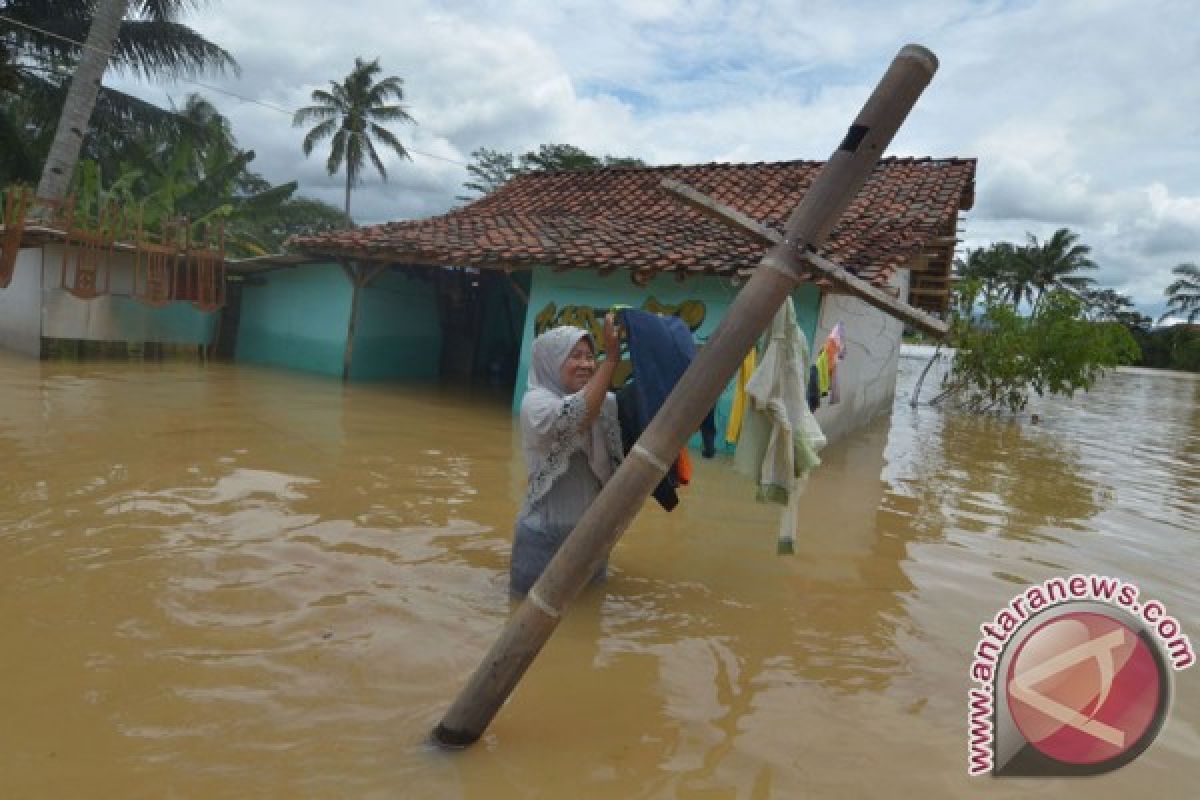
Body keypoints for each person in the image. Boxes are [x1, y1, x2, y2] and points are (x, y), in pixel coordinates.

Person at [510, 313, 624, 595]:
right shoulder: (535, 404)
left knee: (587, 622)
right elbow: (575, 417)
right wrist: (610, 360)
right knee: (525, 617)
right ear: (551, 361)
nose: (586, 364)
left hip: (592, 537)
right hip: (543, 537)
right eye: (575, 356)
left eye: (590, 356)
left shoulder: (606, 404)